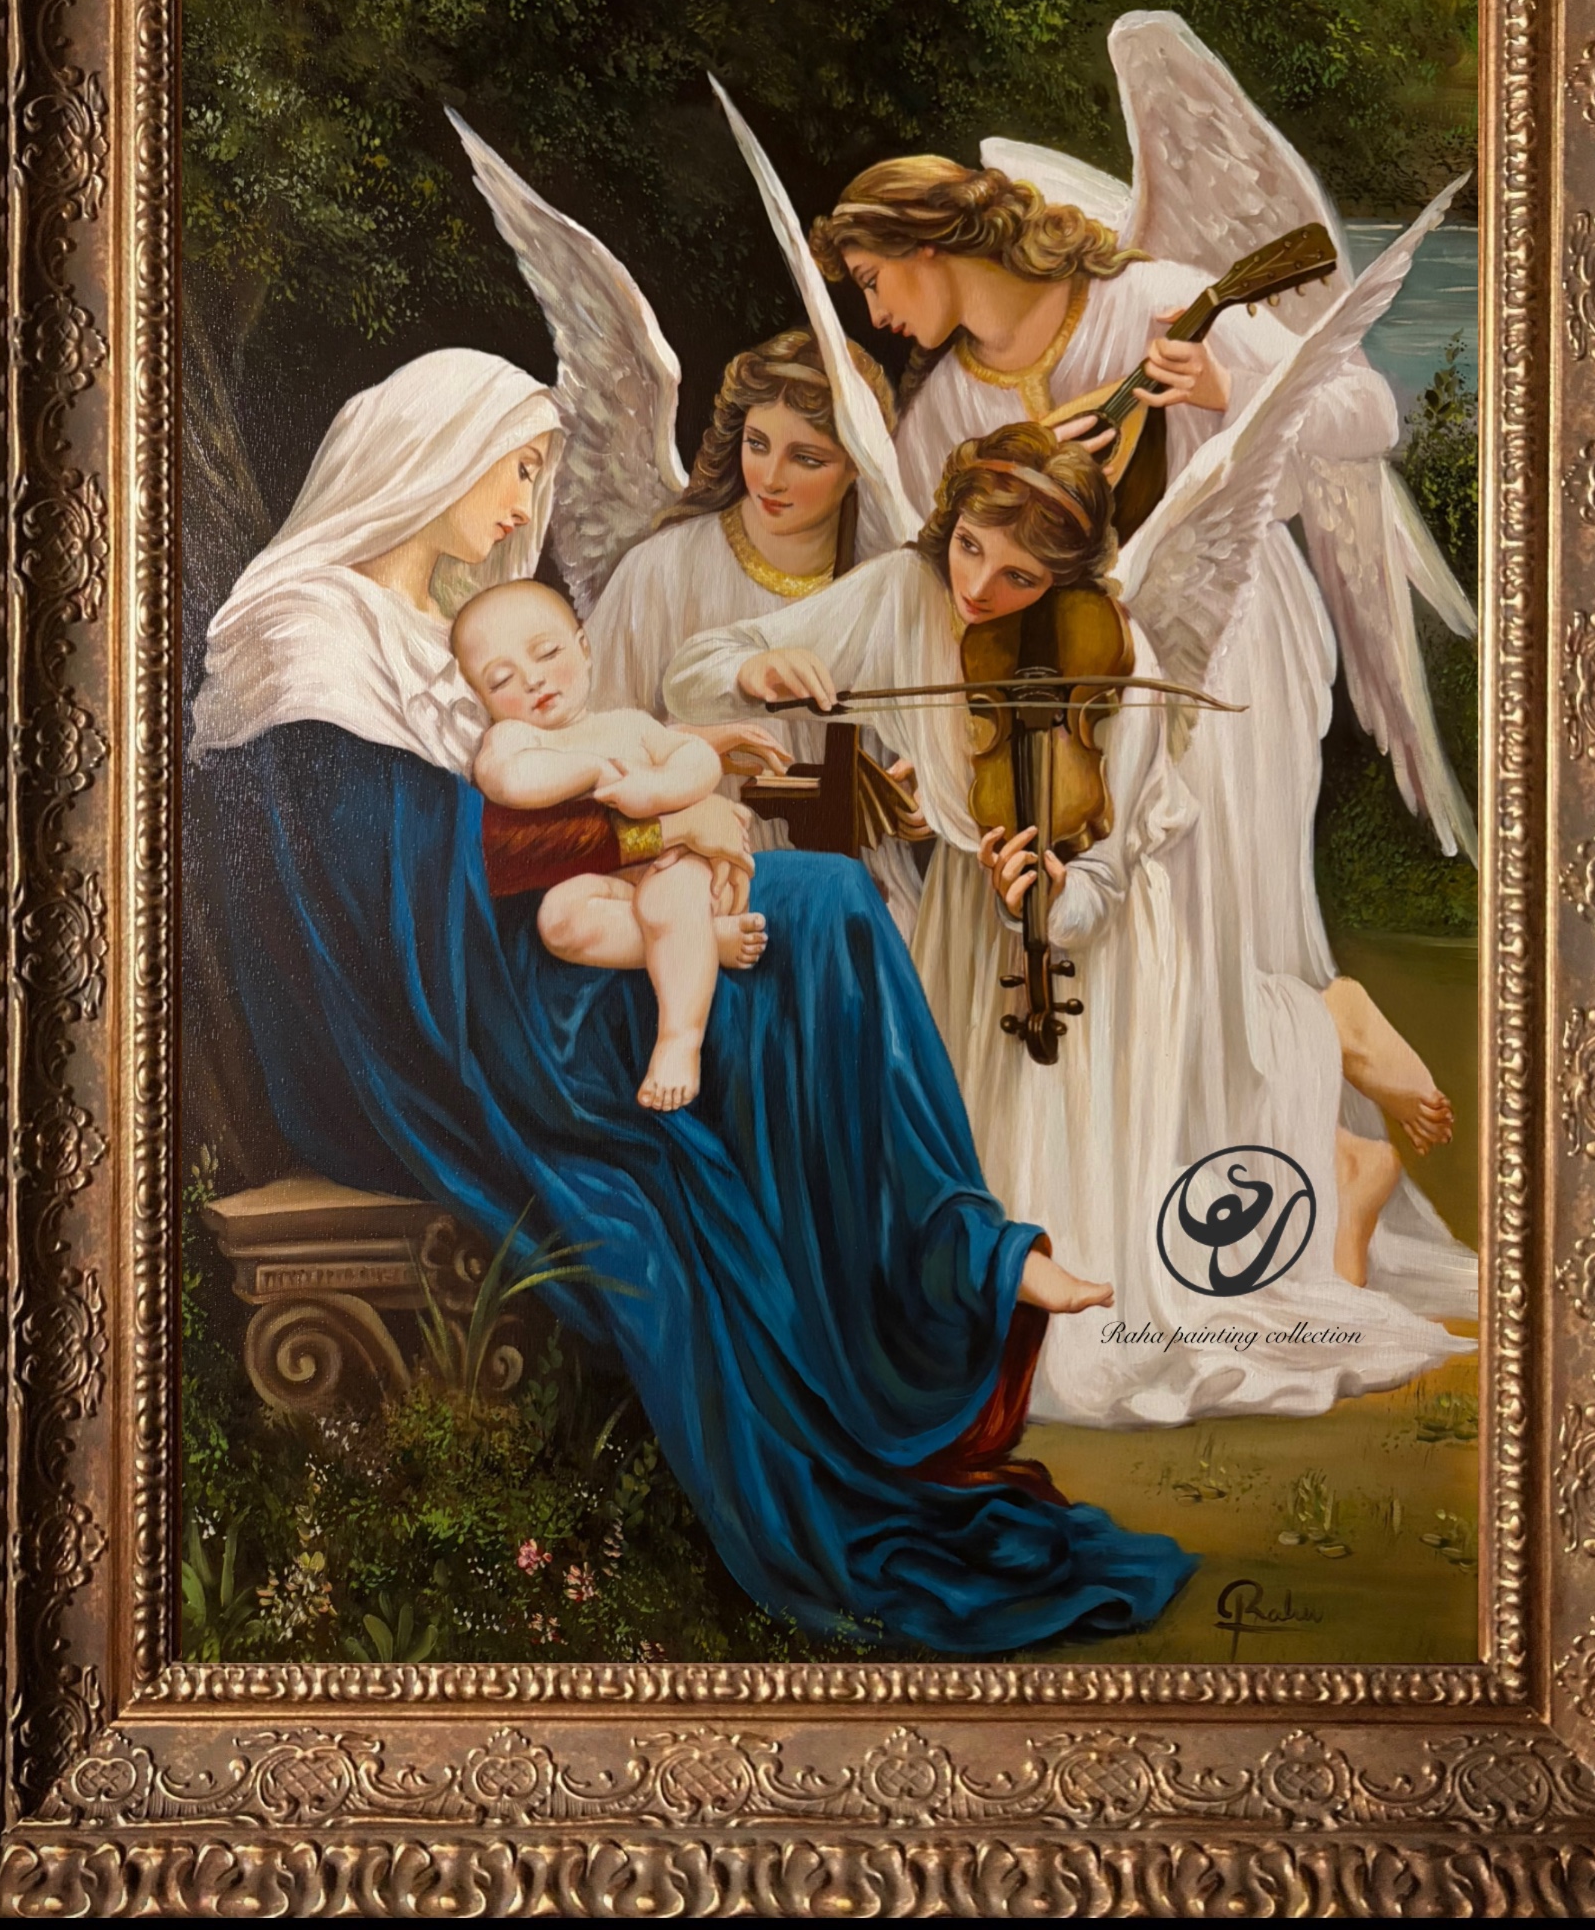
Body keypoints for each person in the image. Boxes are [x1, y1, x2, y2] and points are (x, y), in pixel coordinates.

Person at [188, 345, 1194, 1650]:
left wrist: (686, 771)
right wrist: (656, 833)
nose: (524, 506)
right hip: (460, 1028)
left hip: (523, 959)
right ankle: (953, 1264)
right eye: (515, 472)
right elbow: (411, 888)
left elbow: (524, 807)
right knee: (816, 917)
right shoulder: (309, 636)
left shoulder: (428, 628)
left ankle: (959, 1250)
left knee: (827, 906)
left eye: (538, 474)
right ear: (433, 456)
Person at [665, 421, 1475, 1424]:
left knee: (1095, 1300)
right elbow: (692, 672)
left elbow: (1119, 858)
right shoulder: (904, 591)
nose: (978, 588)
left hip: (1103, 931)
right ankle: (1330, 1097)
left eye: (1019, 577)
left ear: (1067, 576)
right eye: (970, 548)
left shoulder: (1114, 648)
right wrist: (759, 669)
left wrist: (1057, 899)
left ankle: (1328, 1066)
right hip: (973, 925)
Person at [810, 159, 1467, 1287]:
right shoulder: (942, 411)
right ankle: (1305, 1147)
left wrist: (1225, 384)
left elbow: (1367, 411)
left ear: (928, 247)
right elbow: (927, 580)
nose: (875, 315)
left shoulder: (1154, 302)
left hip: (1224, 643)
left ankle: (1305, 1132)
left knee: (1203, 927)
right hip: (1064, 700)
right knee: (1124, 959)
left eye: (874, 281)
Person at [583, 328, 924, 937]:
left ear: (857, 465)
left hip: (864, 889)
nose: (769, 478)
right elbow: (594, 750)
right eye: (757, 444)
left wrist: (925, 787)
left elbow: (921, 741)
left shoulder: (890, 581)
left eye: (806, 459)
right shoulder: (663, 570)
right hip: (701, 884)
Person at [453, 579, 767, 1112]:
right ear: (481, 698)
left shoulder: (629, 725)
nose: (533, 679)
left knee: (668, 901)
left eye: (547, 653)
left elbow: (696, 760)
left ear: (585, 648)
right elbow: (510, 781)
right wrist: (592, 768)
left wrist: (658, 789)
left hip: (669, 866)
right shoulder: (515, 739)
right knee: (559, 918)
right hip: (601, 885)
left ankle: (678, 1042)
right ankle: (703, 941)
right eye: (502, 679)